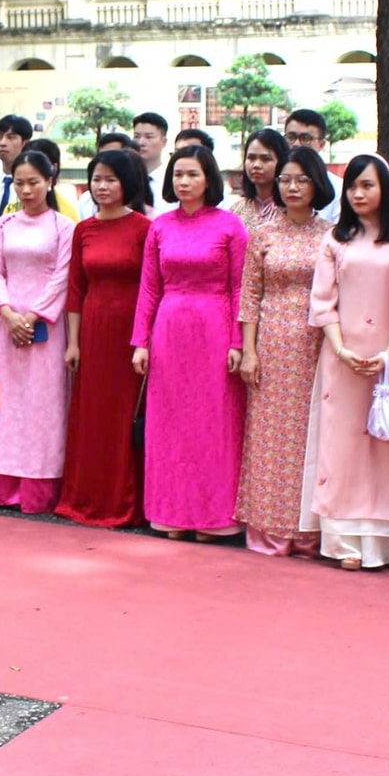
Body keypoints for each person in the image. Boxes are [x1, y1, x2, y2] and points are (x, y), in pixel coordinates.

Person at [132, 144, 249, 540]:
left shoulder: (230, 226)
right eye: (178, 175)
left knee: (213, 422)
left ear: (208, 179)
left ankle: (213, 517)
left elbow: (240, 290)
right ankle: (171, 514)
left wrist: (238, 342)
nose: (184, 182)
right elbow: (149, 288)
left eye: (192, 175)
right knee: (170, 424)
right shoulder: (160, 227)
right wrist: (140, 342)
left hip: (215, 328)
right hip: (169, 329)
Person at [307, 155, 389, 569]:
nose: (358, 193)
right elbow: (322, 302)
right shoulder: (334, 240)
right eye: (352, 186)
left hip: (387, 359)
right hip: (341, 357)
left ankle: (382, 541)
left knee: (384, 444)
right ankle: (342, 540)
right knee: (342, 442)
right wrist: (340, 348)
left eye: (367, 185)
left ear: (385, 189)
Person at [236, 145, 334, 555]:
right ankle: (268, 528)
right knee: (267, 437)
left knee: (310, 437)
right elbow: (250, 295)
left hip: (316, 344)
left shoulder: (330, 233)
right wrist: (249, 350)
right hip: (271, 344)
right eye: (286, 180)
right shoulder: (263, 232)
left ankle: (308, 531)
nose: (292, 187)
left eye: (301, 180)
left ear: (317, 184)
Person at [57, 149, 153, 528]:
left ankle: (127, 502)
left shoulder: (145, 228)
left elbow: (151, 287)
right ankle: (87, 497)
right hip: (94, 331)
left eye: (111, 179)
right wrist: (73, 342)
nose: (102, 186)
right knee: (92, 415)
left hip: (130, 331)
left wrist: (144, 338)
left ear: (127, 183)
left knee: (123, 415)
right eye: (97, 179)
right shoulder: (83, 229)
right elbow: (75, 289)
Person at [0, 150, 75, 513]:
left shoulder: (64, 227)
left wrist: (32, 317)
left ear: (50, 181)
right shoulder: (5, 225)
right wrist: (6, 313)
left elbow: (62, 277)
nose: (27, 190)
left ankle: (39, 488)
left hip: (45, 327)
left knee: (43, 405)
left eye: (34, 182)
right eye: (20, 183)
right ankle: (6, 485)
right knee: (10, 403)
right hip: (7, 325)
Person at [282, 108, 344, 222]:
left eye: (305, 138)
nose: (296, 144)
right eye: (291, 137)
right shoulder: (277, 182)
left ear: (321, 144)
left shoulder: (339, 189)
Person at [226, 127, 288, 228]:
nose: (256, 165)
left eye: (266, 159)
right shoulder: (236, 211)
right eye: (251, 158)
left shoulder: (291, 210)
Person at [132, 112, 171, 215]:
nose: (141, 143)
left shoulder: (172, 181)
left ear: (164, 142)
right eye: (136, 136)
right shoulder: (125, 179)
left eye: (149, 137)